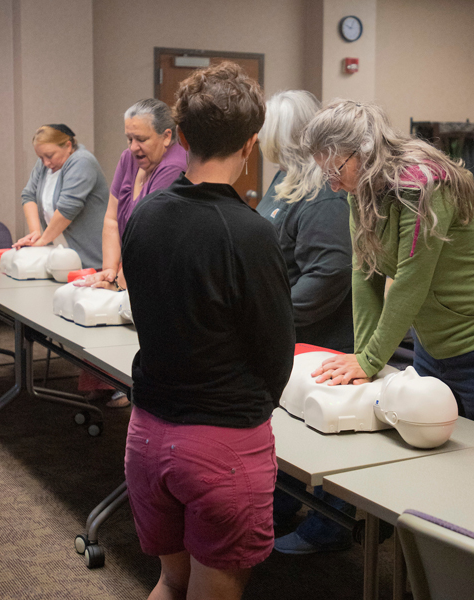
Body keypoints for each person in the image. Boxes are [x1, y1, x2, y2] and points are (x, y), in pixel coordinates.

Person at [121, 62, 295, 600]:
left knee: (172, 582)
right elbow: (275, 354)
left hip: (147, 435)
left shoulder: (145, 215)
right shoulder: (250, 233)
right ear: (250, 145)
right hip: (219, 446)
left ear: (184, 137)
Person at [303, 100, 474, 432]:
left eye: (335, 170)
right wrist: (363, 360)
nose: (333, 185)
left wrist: (370, 359)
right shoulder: (362, 191)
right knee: (436, 461)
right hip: (432, 348)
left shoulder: (423, 186)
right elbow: (365, 273)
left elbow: (411, 282)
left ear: (363, 152)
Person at [257, 90, 355, 555]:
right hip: (290, 336)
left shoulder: (323, 194)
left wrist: (275, 316)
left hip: (322, 340)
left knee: (322, 434)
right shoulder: (286, 179)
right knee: (285, 429)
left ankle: (328, 525)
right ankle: (279, 505)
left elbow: (329, 271)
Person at [77, 99, 186, 408]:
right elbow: (112, 218)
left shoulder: (174, 166)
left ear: (166, 136)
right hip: (129, 268)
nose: (134, 147)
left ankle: (127, 387)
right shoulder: (128, 159)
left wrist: (120, 282)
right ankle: (106, 384)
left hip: (157, 272)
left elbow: (149, 237)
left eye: (142, 139)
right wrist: (110, 270)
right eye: (129, 138)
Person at [15, 124, 108, 268]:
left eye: (50, 156)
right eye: (41, 157)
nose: (46, 162)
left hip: (92, 259)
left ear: (68, 145)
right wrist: (35, 233)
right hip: (63, 258)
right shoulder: (45, 165)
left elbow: (68, 208)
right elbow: (29, 195)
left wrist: (42, 241)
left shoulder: (81, 161)